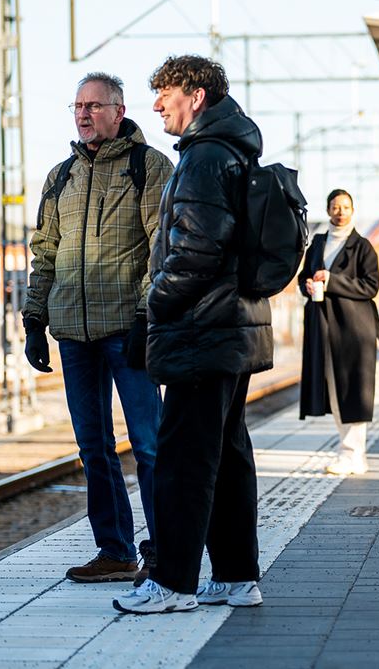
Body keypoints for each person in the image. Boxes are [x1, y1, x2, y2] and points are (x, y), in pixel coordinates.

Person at [113, 55, 271, 614]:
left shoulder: (204, 157)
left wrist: (152, 308)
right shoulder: (233, 150)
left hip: (202, 329)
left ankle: (173, 584)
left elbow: (196, 251)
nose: (157, 104)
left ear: (196, 96)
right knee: (226, 457)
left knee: (184, 462)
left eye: (166, 93)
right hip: (230, 328)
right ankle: (236, 577)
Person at [23, 72, 172, 585]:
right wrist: (34, 319)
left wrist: (146, 315)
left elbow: (162, 246)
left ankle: (165, 552)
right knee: (93, 447)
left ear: (118, 110)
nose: (83, 114)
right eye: (78, 106)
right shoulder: (60, 176)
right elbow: (45, 251)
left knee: (150, 445)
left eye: (93, 106)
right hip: (73, 332)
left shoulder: (149, 166)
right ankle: (115, 550)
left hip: (128, 330)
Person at [299, 189, 379, 476]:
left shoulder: (362, 246)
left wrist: (332, 280)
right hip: (323, 325)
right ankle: (350, 453)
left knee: (353, 392)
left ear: (353, 210)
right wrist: (307, 286)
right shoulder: (318, 243)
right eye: (335, 207)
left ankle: (352, 454)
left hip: (354, 329)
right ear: (328, 210)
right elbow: (304, 276)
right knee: (334, 390)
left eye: (346, 207)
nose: (340, 212)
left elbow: (371, 286)